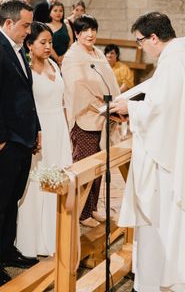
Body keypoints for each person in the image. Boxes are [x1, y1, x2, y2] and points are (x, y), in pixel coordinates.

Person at [112, 12, 185, 292]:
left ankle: (158, 279)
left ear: (154, 38)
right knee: (171, 221)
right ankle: (169, 274)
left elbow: (162, 110)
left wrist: (128, 108)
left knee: (162, 220)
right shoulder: (182, 56)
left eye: (140, 41)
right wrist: (129, 99)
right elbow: (159, 92)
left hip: (168, 162)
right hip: (178, 152)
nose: (140, 48)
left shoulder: (174, 61)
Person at [0, 0, 40, 287]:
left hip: (23, 137)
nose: (29, 30)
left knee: (13, 198)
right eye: (26, 25)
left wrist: (36, 129)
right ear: (9, 23)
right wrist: (0, 139)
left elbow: (27, 94)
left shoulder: (17, 50)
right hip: (6, 141)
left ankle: (6, 250)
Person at [16, 22, 72, 257]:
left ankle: (55, 234)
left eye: (50, 42)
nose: (48, 46)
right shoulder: (26, 70)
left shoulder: (53, 65)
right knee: (38, 183)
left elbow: (62, 100)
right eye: (43, 42)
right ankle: (34, 240)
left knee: (58, 180)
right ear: (30, 45)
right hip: (40, 131)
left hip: (58, 128)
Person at [61, 15, 119, 227]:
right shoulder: (72, 57)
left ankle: (92, 208)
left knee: (99, 167)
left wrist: (114, 103)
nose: (90, 34)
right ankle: (82, 213)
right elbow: (76, 89)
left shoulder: (97, 53)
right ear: (77, 33)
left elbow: (110, 81)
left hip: (102, 116)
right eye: (85, 30)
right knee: (85, 167)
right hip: (85, 118)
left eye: (93, 29)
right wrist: (101, 105)